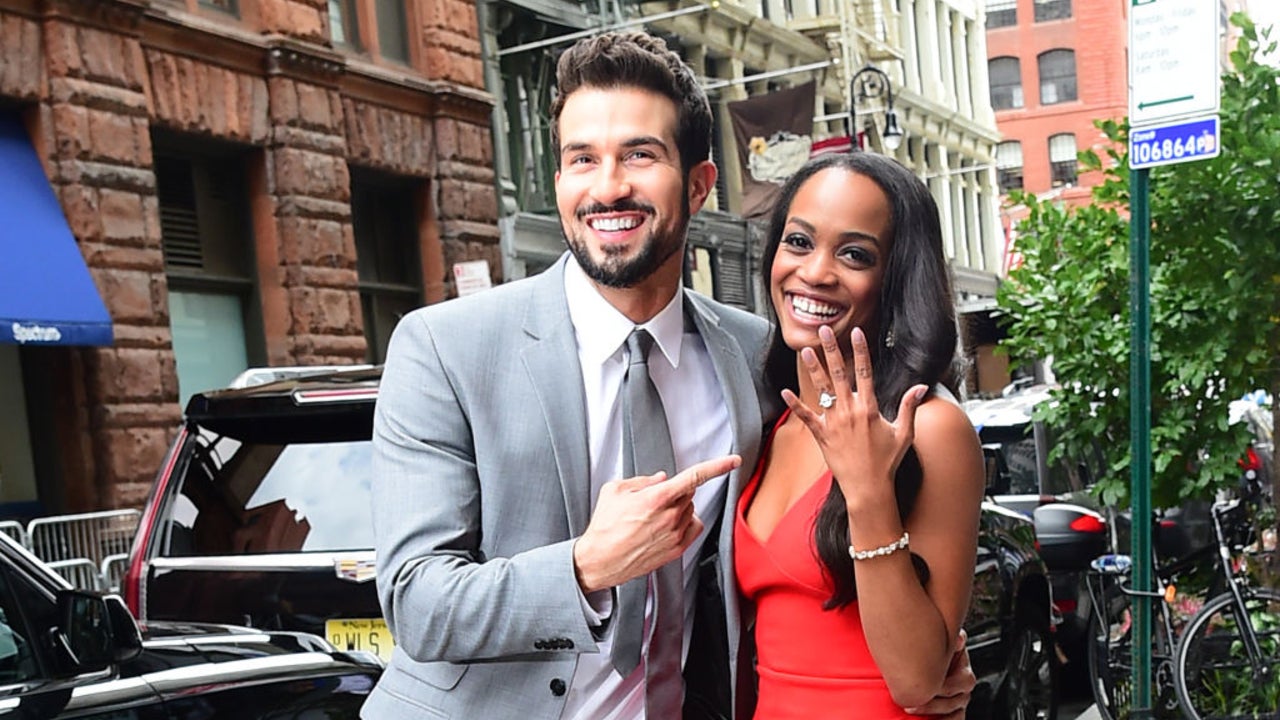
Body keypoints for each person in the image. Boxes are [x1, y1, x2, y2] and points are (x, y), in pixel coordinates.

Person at [362, 31, 975, 719]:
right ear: (559, 181)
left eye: (639, 155)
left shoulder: (756, 357)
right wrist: (587, 566)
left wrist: (932, 657)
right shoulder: (444, 347)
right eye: (582, 159)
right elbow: (417, 605)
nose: (608, 187)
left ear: (700, 184)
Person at [734, 151, 986, 718]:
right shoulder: (773, 420)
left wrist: (868, 491)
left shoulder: (928, 427)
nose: (816, 271)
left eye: (854, 254)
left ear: (895, 280)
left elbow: (917, 680)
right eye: (799, 242)